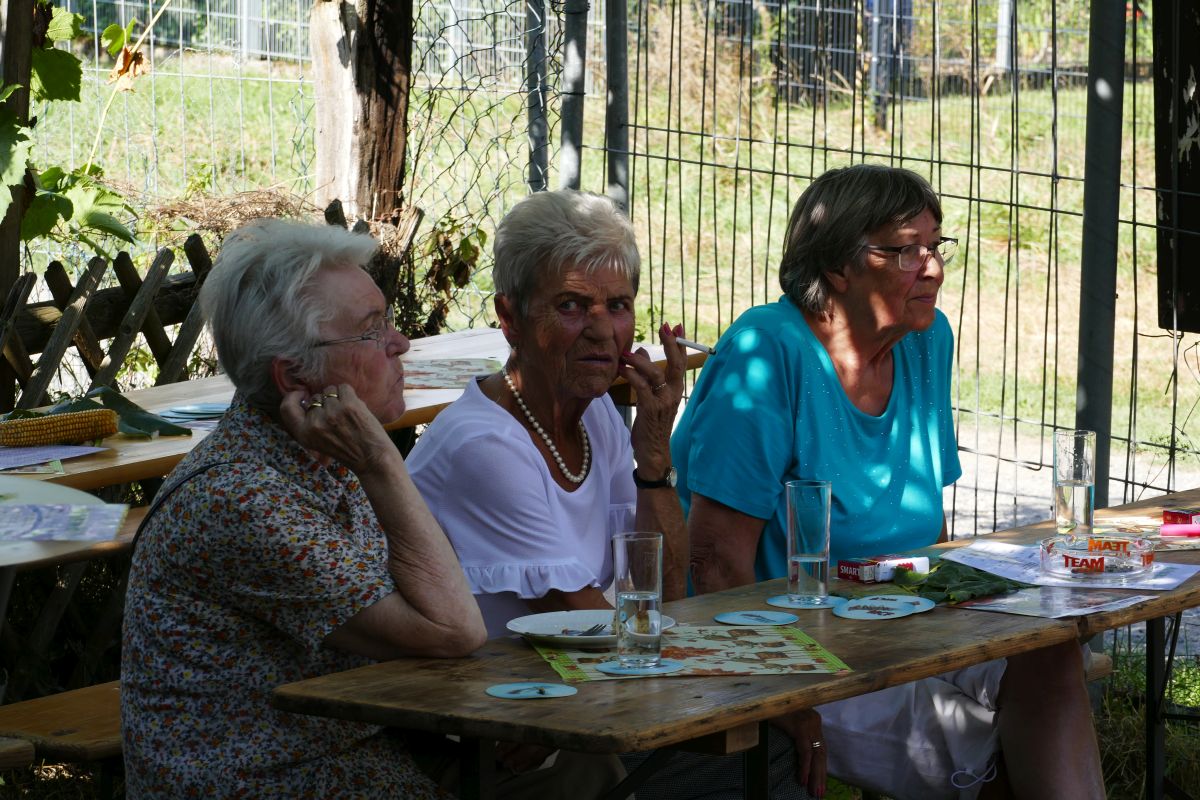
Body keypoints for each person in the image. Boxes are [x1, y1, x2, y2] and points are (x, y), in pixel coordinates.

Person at [672, 164, 1106, 800]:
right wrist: (780, 697)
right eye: (906, 250)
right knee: (993, 752)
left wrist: (968, 625)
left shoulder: (925, 341)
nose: (932, 268)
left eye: (935, 246)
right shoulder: (766, 353)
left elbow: (932, 529)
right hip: (796, 645)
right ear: (837, 267)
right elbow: (712, 565)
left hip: (906, 618)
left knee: (1048, 647)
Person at [408, 189, 815, 800]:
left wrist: (654, 458)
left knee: (766, 747)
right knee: (754, 757)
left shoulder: (595, 413)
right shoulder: (484, 444)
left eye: (618, 305)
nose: (601, 330)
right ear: (510, 317)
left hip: (578, 701)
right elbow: (595, 625)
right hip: (494, 733)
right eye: (571, 306)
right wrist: (759, 691)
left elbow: (666, 590)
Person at [121, 218, 488, 797]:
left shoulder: (319, 458)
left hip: (359, 754)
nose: (401, 343)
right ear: (294, 375)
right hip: (272, 783)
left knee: (575, 769)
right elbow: (453, 630)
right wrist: (382, 462)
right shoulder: (240, 498)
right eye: (372, 331)